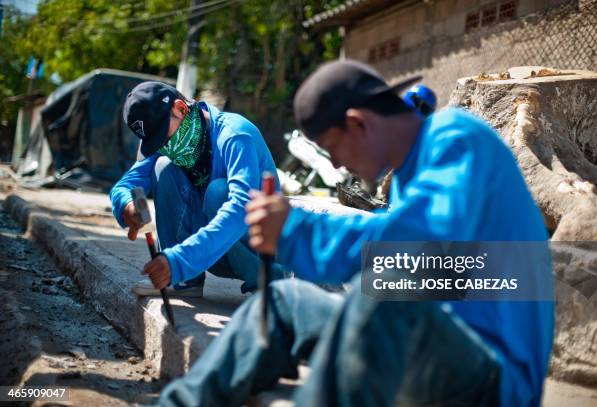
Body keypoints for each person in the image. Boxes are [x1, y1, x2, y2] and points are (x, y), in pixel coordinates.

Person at [155, 60, 554, 406]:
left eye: (333, 149)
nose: (340, 166)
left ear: (358, 124)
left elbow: (414, 249)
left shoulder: (457, 139)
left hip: (492, 376)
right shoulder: (412, 171)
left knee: (386, 293)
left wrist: (294, 229)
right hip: (422, 339)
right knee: (285, 300)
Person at [110, 81, 282, 297]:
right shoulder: (163, 143)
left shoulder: (235, 135)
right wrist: (127, 205)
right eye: (157, 142)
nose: (165, 146)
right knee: (163, 166)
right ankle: (184, 282)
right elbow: (125, 186)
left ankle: (267, 282)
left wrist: (179, 260)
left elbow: (239, 209)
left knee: (218, 192)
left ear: (181, 108)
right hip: (213, 252)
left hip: (259, 249)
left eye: (165, 136)